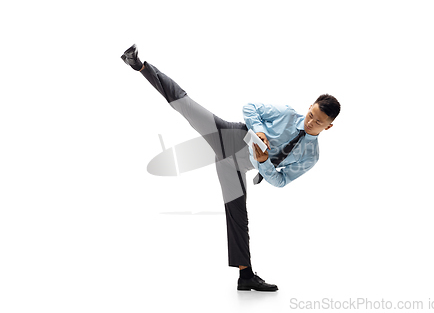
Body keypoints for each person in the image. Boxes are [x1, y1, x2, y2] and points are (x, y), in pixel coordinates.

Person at [121, 44, 341, 291]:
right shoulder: (288, 114)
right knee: (186, 105)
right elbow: (250, 108)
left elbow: (280, 181)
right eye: (311, 114)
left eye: (318, 122)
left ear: (328, 127)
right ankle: (139, 65)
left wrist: (263, 162)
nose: (310, 122)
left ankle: (245, 276)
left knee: (238, 217)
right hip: (230, 136)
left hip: (234, 167)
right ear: (310, 105)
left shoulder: (311, 156)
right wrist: (259, 130)